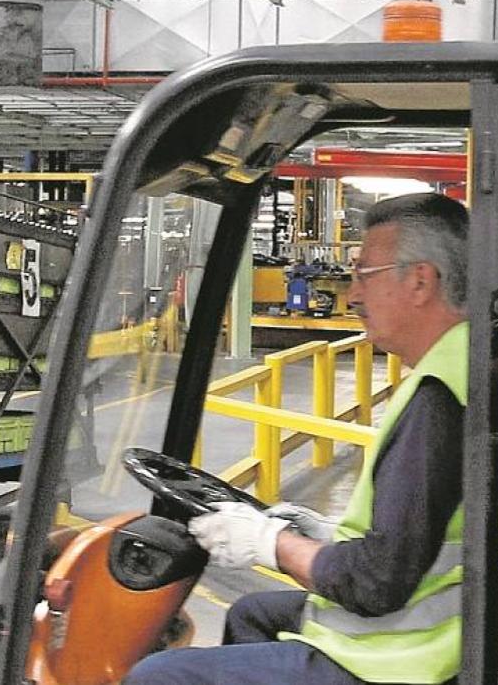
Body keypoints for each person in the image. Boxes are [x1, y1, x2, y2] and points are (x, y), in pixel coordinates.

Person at [125, 193, 473, 685]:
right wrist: (317, 531)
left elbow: (376, 583)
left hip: (404, 661)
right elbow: (422, 532)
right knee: (252, 614)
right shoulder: (459, 367)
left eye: (363, 276)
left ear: (419, 281)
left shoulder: (439, 400)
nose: (352, 295)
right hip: (433, 627)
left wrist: (270, 543)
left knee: (157, 677)